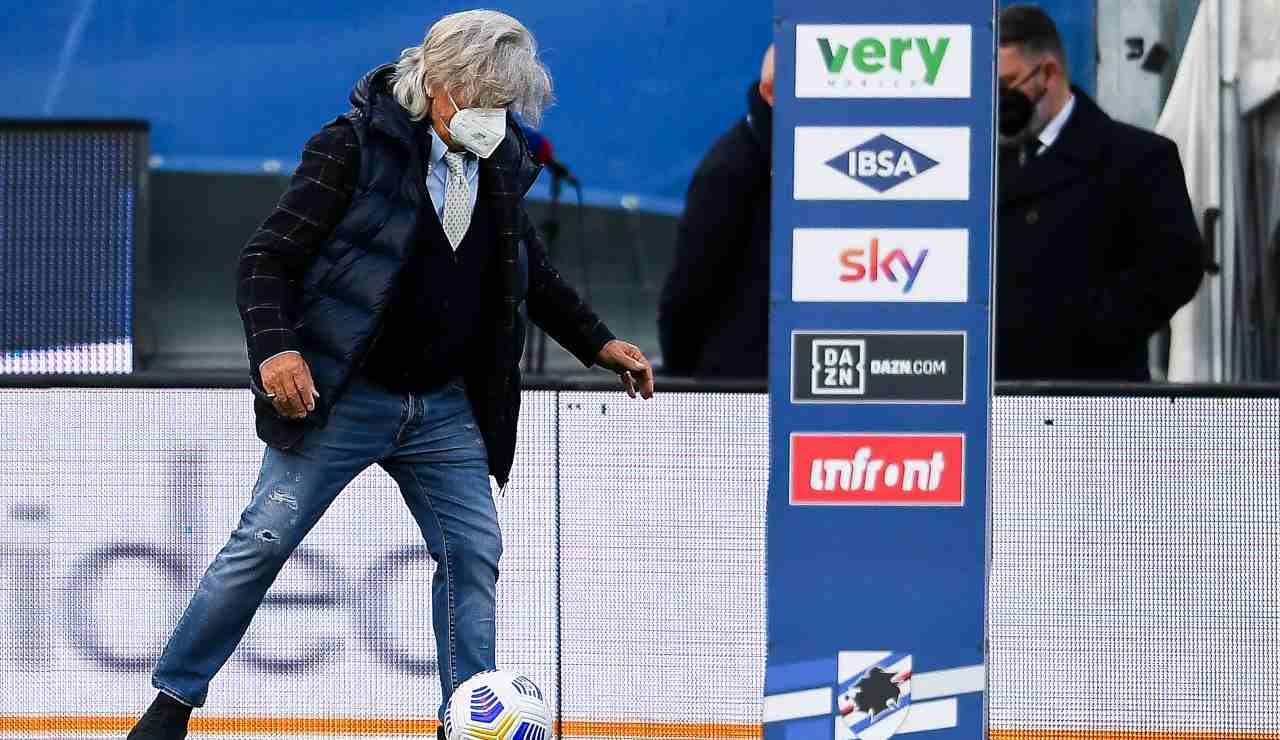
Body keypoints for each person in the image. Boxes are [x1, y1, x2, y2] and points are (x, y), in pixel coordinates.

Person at [125, 10, 654, 740]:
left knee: (472, 553)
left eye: (504, 106)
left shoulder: (500, 167)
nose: (493, 119)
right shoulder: (350, 149)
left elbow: (528, 271)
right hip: (342, 396)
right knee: (263, 541)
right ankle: (171, 704)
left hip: (441, 407)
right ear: (436, 84)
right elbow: (265, 261)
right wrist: (278, 350)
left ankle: (465, 723)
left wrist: (598, 343)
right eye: (481, 101)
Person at [996, 4, 1203, 381]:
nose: (998, 100)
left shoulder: (1138, 158)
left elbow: (1178, 267)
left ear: (1048, 73)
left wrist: (1091, 326)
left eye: (1008, 84)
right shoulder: (981, 166)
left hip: (1095, 397)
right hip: (999, 398)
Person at [658, 45, 773, 379]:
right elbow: (690, 285)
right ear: (769, 92)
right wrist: (681, 370)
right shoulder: (730, 168)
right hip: (735, 380)